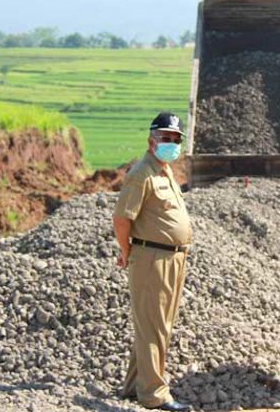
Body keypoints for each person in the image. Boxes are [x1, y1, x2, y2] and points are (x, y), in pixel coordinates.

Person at [113, 112, 192, 412]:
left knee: (158, 325)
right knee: (154, 326)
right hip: (151, 256)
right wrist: (126, 251)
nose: (171, 143)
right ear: (151, 140)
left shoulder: (164, 170)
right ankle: (154, 394)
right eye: (165, 138)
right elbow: (122, 218)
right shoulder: (141, 173)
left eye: (175, 139)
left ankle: (135, 385)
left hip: (172, 257)